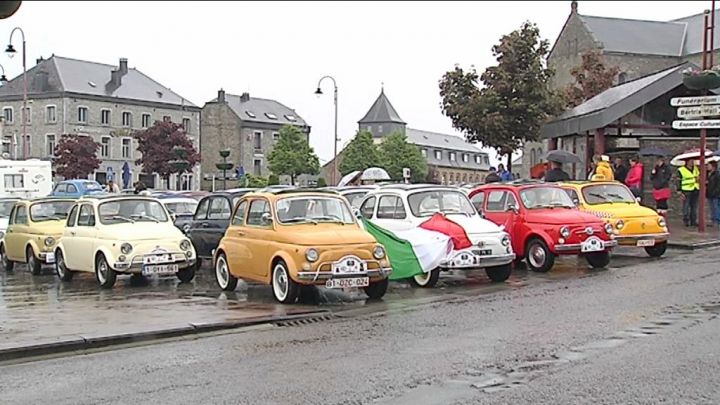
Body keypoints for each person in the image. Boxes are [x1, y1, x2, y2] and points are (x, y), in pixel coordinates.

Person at [678, 159, 700, 227]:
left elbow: (698, 176)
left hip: (695, 189)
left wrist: (698, 179)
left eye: (693, 161)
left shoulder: (696, 168)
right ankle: (686, 220)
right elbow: (678, 181)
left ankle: (693, 221)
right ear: (687, 162)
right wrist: (679, 191)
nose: (692, 163)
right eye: (690, 161)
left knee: (694, 206)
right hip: (686, 190)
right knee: (686, 206)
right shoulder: (681, 170)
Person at [706, 161, 720, 226]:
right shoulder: (708, 174)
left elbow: (718, 185)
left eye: (709, 165)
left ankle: (717, 220)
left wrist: (716, 192)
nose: (707, 167)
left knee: (716, 207)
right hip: (709, 193)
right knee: (712, 207)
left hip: (715, 194)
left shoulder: (717, 174)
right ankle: (713, 220)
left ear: (713, 167)